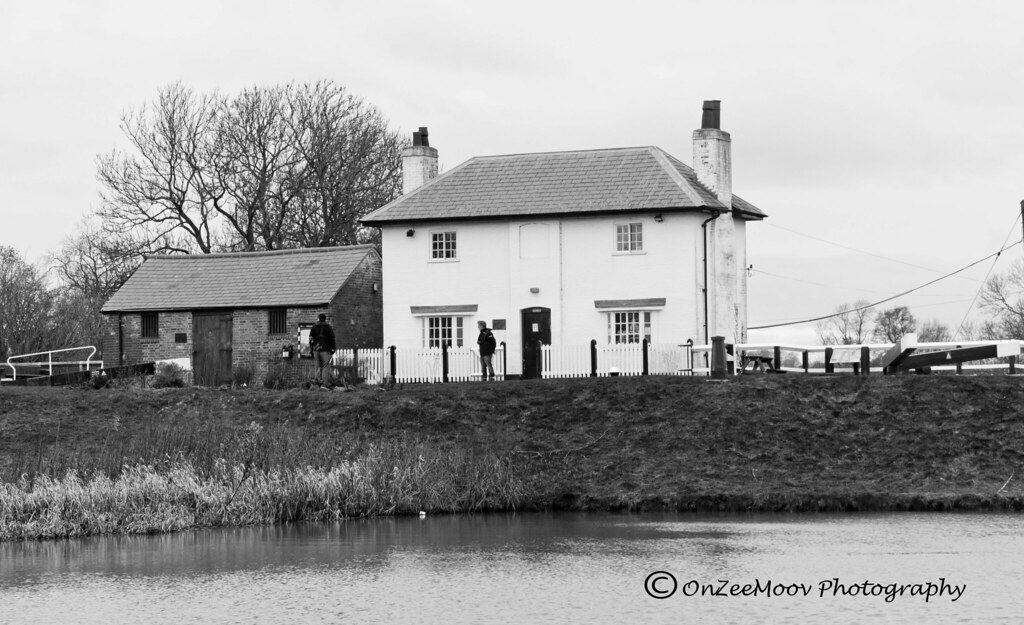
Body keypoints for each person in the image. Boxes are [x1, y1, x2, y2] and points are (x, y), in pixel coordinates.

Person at [309, 313, 336, 385]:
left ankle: (317, 382)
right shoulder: (328, 327)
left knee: (317, 365)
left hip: (316, 348)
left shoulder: (314, 327)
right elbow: (332, 339)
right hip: (325, 348)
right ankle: (325, 383)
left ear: (318, 318)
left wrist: (311, 349)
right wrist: (333, 348)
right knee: (325, 365)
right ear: (325, 319)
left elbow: (311, 339)